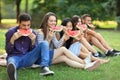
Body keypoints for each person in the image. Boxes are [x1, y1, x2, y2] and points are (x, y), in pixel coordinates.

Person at [36, 12, 101, 71]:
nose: (53, 23)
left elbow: (57, 46)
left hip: (49, 57)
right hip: (41, 58)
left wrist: (64, 36)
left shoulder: (52, 31)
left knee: (64, 58)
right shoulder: (40, 32)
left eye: (55, 21)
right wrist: (48, 39)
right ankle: (85, 62)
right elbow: (41, 50)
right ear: (46, 21)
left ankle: (85, 66)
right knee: (63, 49)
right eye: (51, 21)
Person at [5, 13, 54, 80]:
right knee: (11, 62)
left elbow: (33, 52)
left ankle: (44, 68)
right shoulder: (11, 32)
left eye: (28, 25)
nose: (26, 28)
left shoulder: (32, 32)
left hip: (28, 58)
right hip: (15, 57)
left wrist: (33, 41)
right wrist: (12, 39)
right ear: (19, 23)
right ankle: (13, 75)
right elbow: (8, 51)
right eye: (24, 25)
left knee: (44, 43)